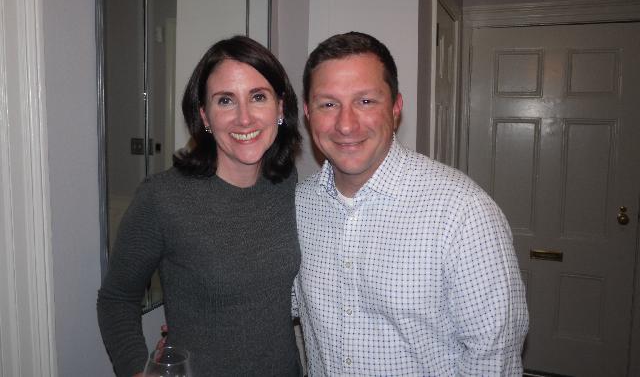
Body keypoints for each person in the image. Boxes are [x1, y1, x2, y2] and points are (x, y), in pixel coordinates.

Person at [292, 31, 528, 376]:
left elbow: (493, 358)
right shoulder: (298, 207)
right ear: (307, 113)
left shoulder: (464, 212)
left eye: (365, 101)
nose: (346, 124)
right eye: (328, 104)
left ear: (396, 108)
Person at [97, 35, 302, 377]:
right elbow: (117, 298)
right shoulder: (163, 197)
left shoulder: (288, 185)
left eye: (258, 97)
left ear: (280, 108)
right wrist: (138, 370)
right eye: (225, 100)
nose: (244, 118)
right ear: (204, 116)